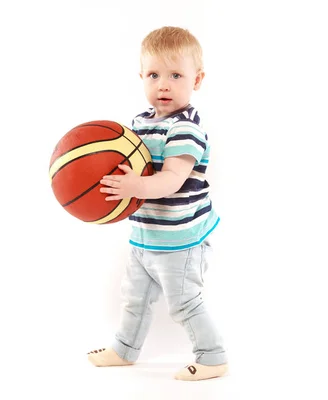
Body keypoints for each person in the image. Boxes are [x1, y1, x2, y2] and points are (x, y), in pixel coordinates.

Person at [87, 26, 228, 381]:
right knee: (134, 299)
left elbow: (171, 179)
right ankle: (125, 349)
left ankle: (213, 357)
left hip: (181, 241)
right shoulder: (136, 125)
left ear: (198, 79)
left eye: (175, 75)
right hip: (145, 236)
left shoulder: (186, 128)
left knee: (183, 303)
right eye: (153, 74)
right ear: (141, 77)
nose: (163, 84)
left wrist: (133, 184)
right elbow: (126, 166)